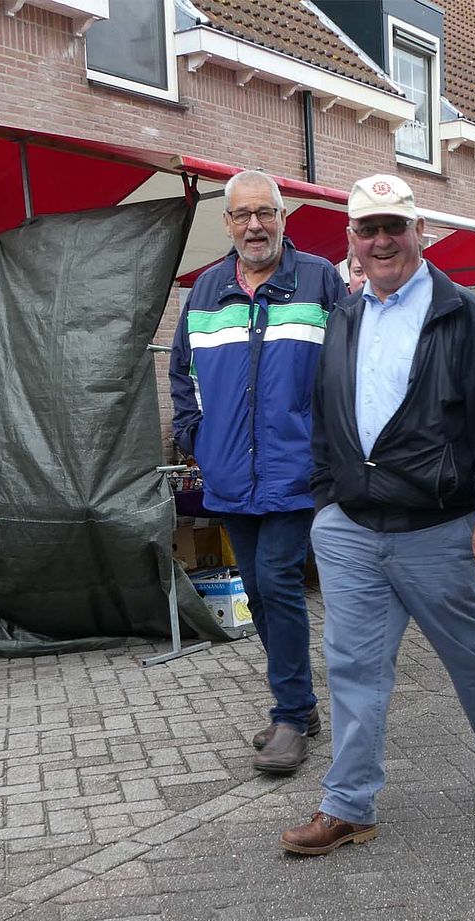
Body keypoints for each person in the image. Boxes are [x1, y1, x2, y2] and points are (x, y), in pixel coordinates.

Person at [279, 174, 475, 856]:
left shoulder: (462, 314)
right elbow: (326, 418)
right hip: (352, 530)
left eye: (394, 226)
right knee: (353, 668)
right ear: (352, 240)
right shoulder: (344, 317)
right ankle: (348, 805)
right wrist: (326, 502)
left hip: (437, 527)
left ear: (419, 231)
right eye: (368, 229)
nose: (382, 240)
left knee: (469, 653)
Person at [169, 170, 347, 774]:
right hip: (228, 474)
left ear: (282, 218)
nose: (254, 225)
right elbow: (182, 373)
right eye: (243, 215)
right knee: (256, 589)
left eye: (265, 213)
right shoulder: (205, 290)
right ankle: (301, 705)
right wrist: (196, 436)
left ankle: (291, 716)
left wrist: (330, 443)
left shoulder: (319, 280)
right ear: (227, 223)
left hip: (296, 470)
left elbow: (349, 368)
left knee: (277, 580)